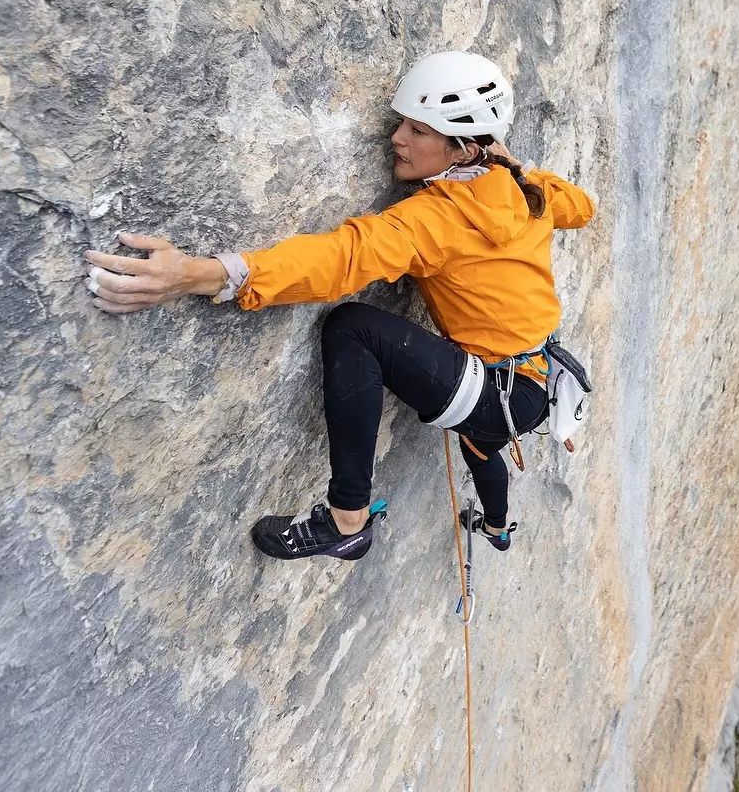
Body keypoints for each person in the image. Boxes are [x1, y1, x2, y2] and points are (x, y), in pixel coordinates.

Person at [83, 52, 595, 562]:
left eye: (418, 131)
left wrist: (205, 273)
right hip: (533, 378)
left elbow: (341, 258)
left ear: (462, 150)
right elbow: (582, 208)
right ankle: (499, 527)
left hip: (498, 390)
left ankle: (347, 520)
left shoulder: (438, 219)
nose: (397, 138)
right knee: (482, 443)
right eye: (403, 124)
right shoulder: (528, 193)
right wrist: (515, 165)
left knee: (355, 330)